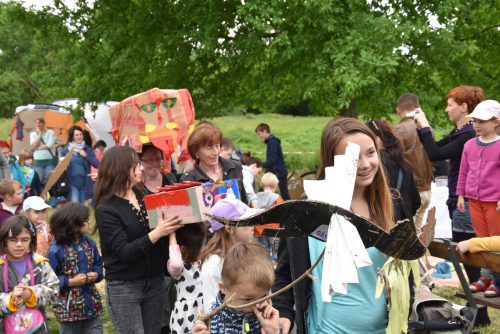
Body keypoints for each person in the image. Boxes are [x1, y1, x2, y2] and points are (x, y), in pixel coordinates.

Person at [272, 117, 417, 334]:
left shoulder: (394, 206)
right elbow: (285, 272)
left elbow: (408, 271)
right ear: (332, 161)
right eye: (352, 158)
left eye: (370, 152)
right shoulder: (305, 211)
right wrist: (283, 313)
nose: (365, 164)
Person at [94, 146, 182, 333]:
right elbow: (124, 252)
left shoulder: (143, 195)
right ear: (122, 168)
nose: (141, 168)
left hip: (155, 282)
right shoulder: (106, 209)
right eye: (136, 165)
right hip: (125, 287)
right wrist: (158, 232)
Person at [414, 85, 483, 284]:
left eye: (449, 105)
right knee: (466, 255)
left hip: (468, 202)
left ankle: (480, 308)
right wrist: (421, 129)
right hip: (459, 200)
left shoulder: (469, 135)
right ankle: (478, 307)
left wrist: (426, 126)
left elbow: (436, 155)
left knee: (470, 256)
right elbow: (433, 148)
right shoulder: (459, 132)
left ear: (463, 107)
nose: (446, 109)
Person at [456, 99, 500, 297]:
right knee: (480, 239)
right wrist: (460, 194)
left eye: (482, 121)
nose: (477, 125)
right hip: (473, 200)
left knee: (494, 241)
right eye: (474, 120)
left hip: (494, 202)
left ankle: (498, 281)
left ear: (496, 121)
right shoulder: (468, 145)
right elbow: (463, 171)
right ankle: (486, 277)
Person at [193, 241, 280, 334]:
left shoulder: (266, 318)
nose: (258, 305)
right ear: (223, 288)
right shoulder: (213, 323)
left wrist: (274, 331)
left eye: (264, 296)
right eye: (248, 299)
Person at [46, 202, 103, 334]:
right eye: (84, 220)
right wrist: (70, 282)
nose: (88, 221)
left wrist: (96, 274)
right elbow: (48, 279)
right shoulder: (56, 250)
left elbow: (98, 264)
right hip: (68, 312)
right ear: (72, 224)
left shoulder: (89, 243)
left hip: (92, 306)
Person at [0, 215, 59, 334]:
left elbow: (54, 291)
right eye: (13, 240)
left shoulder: (40, 264)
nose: (19, 244)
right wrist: (9, 300)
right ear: (4, 241)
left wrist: (31, 294)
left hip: (38, 329)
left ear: (31, 240)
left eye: (25, 239)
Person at [199, 197, 256, 314]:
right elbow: (211, 310)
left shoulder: (248, 255)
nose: (253, 224)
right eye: (246, 220)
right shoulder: (214, 264)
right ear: (229, 228)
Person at [393, 93, 433, 231]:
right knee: (418, 235)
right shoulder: (427, 128)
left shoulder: (399, 129)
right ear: (418, 107)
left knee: (410, 240)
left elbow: (393, 161)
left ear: (398, 110)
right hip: (427, 189)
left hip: (412, 193)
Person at [181, 124, 248, 204]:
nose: (216, 152)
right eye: (209, 148)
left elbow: (244, 201)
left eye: (217, 146)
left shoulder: (235, 167)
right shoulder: (189, 180)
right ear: (196, 152)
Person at [367, 119, 421, 219]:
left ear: (376, 140)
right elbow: (416, 202)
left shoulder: (371, 166)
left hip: (381, 225)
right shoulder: (404, 165)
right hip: (405, 228)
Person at [167, 223, 205, 334]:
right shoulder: (177, 269)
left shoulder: (202, 261)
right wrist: (172, 235)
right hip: (185, 314)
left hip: (202, 310)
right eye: (198, 248)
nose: (201, 250)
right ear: (182, 248)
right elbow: (176, 263)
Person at [59, 126, 99, 205]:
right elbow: (61, 168)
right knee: (75, 207)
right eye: (76, 135)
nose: (79, 136)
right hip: (72, 184)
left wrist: (86, 155)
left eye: (81, 134)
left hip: (85, 184)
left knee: (84, 208)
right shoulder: (66, 150)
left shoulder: (87, 149)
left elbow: (97, 164)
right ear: (72, 137)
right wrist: (62, 164)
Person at [255, 123, 290, 200]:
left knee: (284, 194)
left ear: (264, 131)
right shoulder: (270, 142)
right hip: (272, 170)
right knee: (262, 190)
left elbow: (272, 160)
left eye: (259, 134)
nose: (259, 136)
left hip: (278, 171)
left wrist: (260, 166)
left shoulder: (273, 142)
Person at [254, 172, 283, 255]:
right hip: (273, 229)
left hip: (259, 229)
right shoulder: (277, 198)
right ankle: (273, 263)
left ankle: (264, 263)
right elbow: (282, 212)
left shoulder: (255, 197)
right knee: (274, 250)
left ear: (262, 185)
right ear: (275, 185)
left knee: (263, 249)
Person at [30, 118, 56, 186]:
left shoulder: (50, 132)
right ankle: (39, 194)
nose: (38, 124)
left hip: (49, 160)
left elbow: (49, 145)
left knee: (48, 179)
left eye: (39, 123)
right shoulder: (33, 134)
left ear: (43, 123)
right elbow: (33, 145)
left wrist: (37, 148)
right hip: (38, 160)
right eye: (36, 123)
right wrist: (39, 134)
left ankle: (47, 194)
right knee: (39, 179)